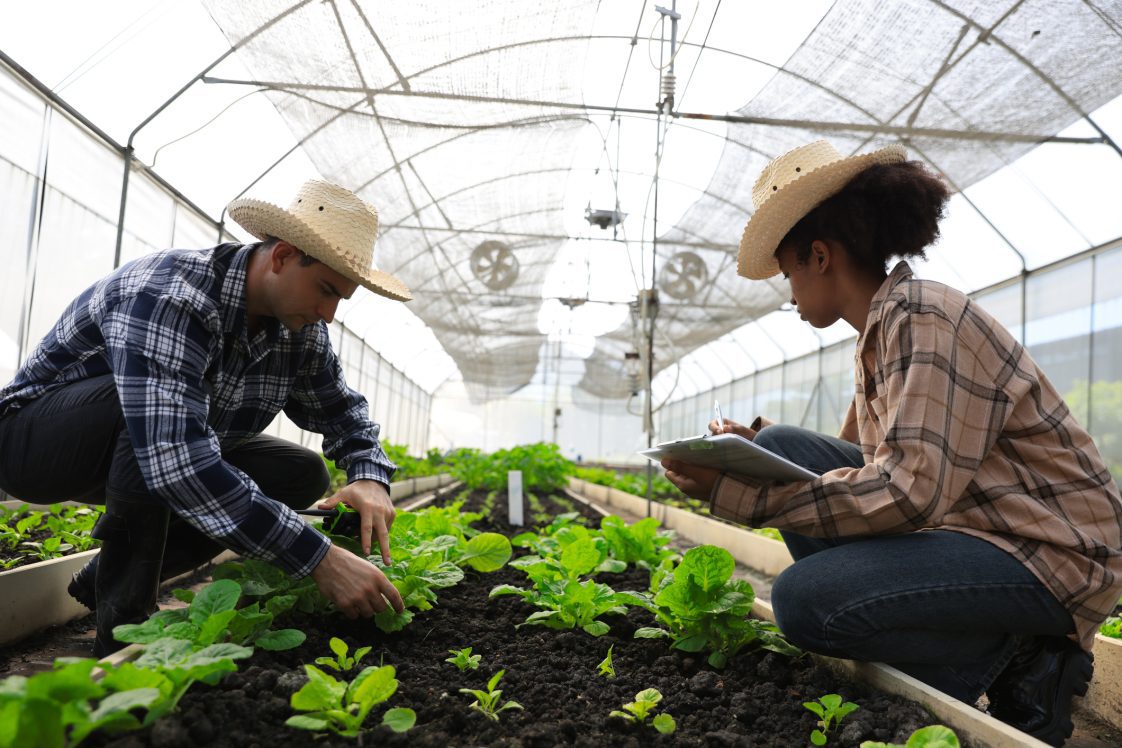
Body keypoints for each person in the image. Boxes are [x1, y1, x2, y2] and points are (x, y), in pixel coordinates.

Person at [660, 140, 1122, 747]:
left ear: (819, 256)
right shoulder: (879, 331)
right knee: (783, 444)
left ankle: (1016, 658)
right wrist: (754, 453)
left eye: (789, 272)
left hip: (1052, 552)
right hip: (980, 532)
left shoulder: (924, 316)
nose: (788, 293)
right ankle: (980, 655)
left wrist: (742, 499)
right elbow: (865, 466)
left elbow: (907, 493)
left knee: (802, 601)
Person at [0, 179, 413, 656]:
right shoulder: (171, 293)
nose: (329, 313)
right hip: (32, 446)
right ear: (282, 256)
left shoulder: (300, 332)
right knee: (150, 419)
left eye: (341, 299)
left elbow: (343, 412)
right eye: (325, 290)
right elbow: (173, 459)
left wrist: (369, 476)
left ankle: (108, 578)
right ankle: (123, 636)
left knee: (300, 472)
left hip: (145, 453)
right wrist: (318, 558)